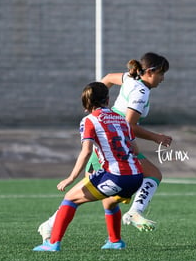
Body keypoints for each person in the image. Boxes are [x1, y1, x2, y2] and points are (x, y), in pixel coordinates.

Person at [37, 52, 172, 241]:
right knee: (81, 193)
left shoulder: (130, 78)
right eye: (161, 73)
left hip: (113, 138)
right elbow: (129, 125)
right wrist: (156, 137)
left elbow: (107, 79)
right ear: (150, 71)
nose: (163, 79)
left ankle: (115, 240)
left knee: (107, 200)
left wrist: (98, 105)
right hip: (111, 144)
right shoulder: (140, 93)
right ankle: (50, 225)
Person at [33, 82, 144, 251]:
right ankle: (115, 241)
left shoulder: (89, 120)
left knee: (70, 198)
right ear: (107, 100)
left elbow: (86, 152)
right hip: (136, 176)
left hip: (116, 175)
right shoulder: (121, 119)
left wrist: (71, 177)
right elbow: (135, 150)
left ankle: (53, 243)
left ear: (86, 104)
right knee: (109, 203)